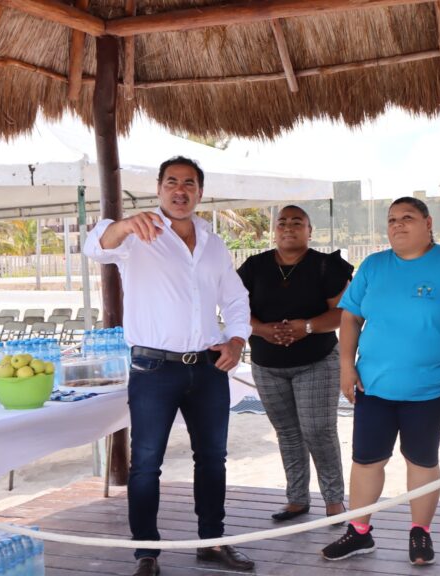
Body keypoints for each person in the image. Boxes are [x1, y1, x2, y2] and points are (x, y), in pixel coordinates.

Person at [83, 156, 255, 576]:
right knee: (146, 462)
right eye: (172, 182)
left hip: (209, 367)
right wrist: (122, 225)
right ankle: (146, 554)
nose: (181, 190)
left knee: (213, 459)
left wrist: (237, 337)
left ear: (200, 191)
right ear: (159, 188)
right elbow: (94, 247)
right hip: (153, 368)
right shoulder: (138, 235)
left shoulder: (213, 243)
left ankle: (212, 543)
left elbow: (235, 298)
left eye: (190, 183)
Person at [321, 197, 440, 566]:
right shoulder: (374, 266)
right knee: (366, 461)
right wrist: (347, 366)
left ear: (428, 223)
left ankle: (420, 532)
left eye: (407, 218)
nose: (397, 225)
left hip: (431, 388)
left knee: (421, 460)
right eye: (392, 219)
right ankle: (359, 533)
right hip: (374, 385)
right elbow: (350, 318)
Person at [237, 205, 351, 522]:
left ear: (309, 231)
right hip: (267, 363)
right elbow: (234, 309)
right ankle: (297, 499)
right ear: (274, 230)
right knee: (287, 433)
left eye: (297, 222)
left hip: (316, 361)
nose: (288, 227)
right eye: (282, 222)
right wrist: (261, 329)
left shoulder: (327, 266)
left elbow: (344, 313)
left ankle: (334, 500)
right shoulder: (254, 266)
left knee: (318, 430)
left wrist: (307, 326)